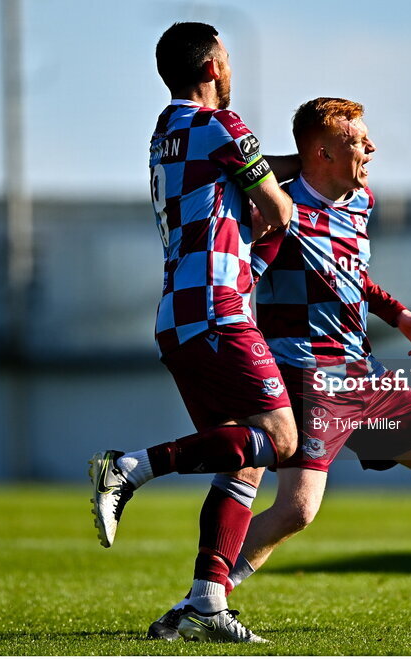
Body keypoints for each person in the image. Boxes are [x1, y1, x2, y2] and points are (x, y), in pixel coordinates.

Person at [184, 97, 411, 630]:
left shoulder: (360, 201)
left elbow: (351, 274)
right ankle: (203, 601)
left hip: (365, 374)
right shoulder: (272, 211)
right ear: (324, 152)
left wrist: (398, 314)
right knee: (297, 511)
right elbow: (234, 280)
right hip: (310, 377)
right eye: (359, 140)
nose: (371, 147)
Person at [88, 22, 301, 644]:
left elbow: (242, 171)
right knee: (281, 441)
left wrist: (281, 178)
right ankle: (130, 467)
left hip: (180, 313)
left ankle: (207, 601)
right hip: (216, 309)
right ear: (212, 66)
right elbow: (279, 207)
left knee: (243, 461)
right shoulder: (223, 128)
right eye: (228, 60)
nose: (232, 71)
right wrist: (289, 203)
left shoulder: (167, 133)